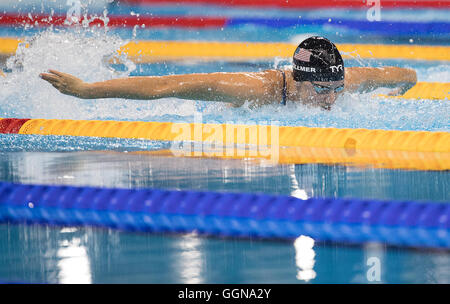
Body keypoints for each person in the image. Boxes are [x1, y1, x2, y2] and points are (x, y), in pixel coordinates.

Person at [39, 36, 417, 110]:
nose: (332, 97)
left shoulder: (339, 83)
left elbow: (405, 74)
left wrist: (405, 87)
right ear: (299, 79)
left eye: (337, 87)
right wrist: (86, 90)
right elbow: (165, 86)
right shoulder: (248, 90)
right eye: (322, 89)